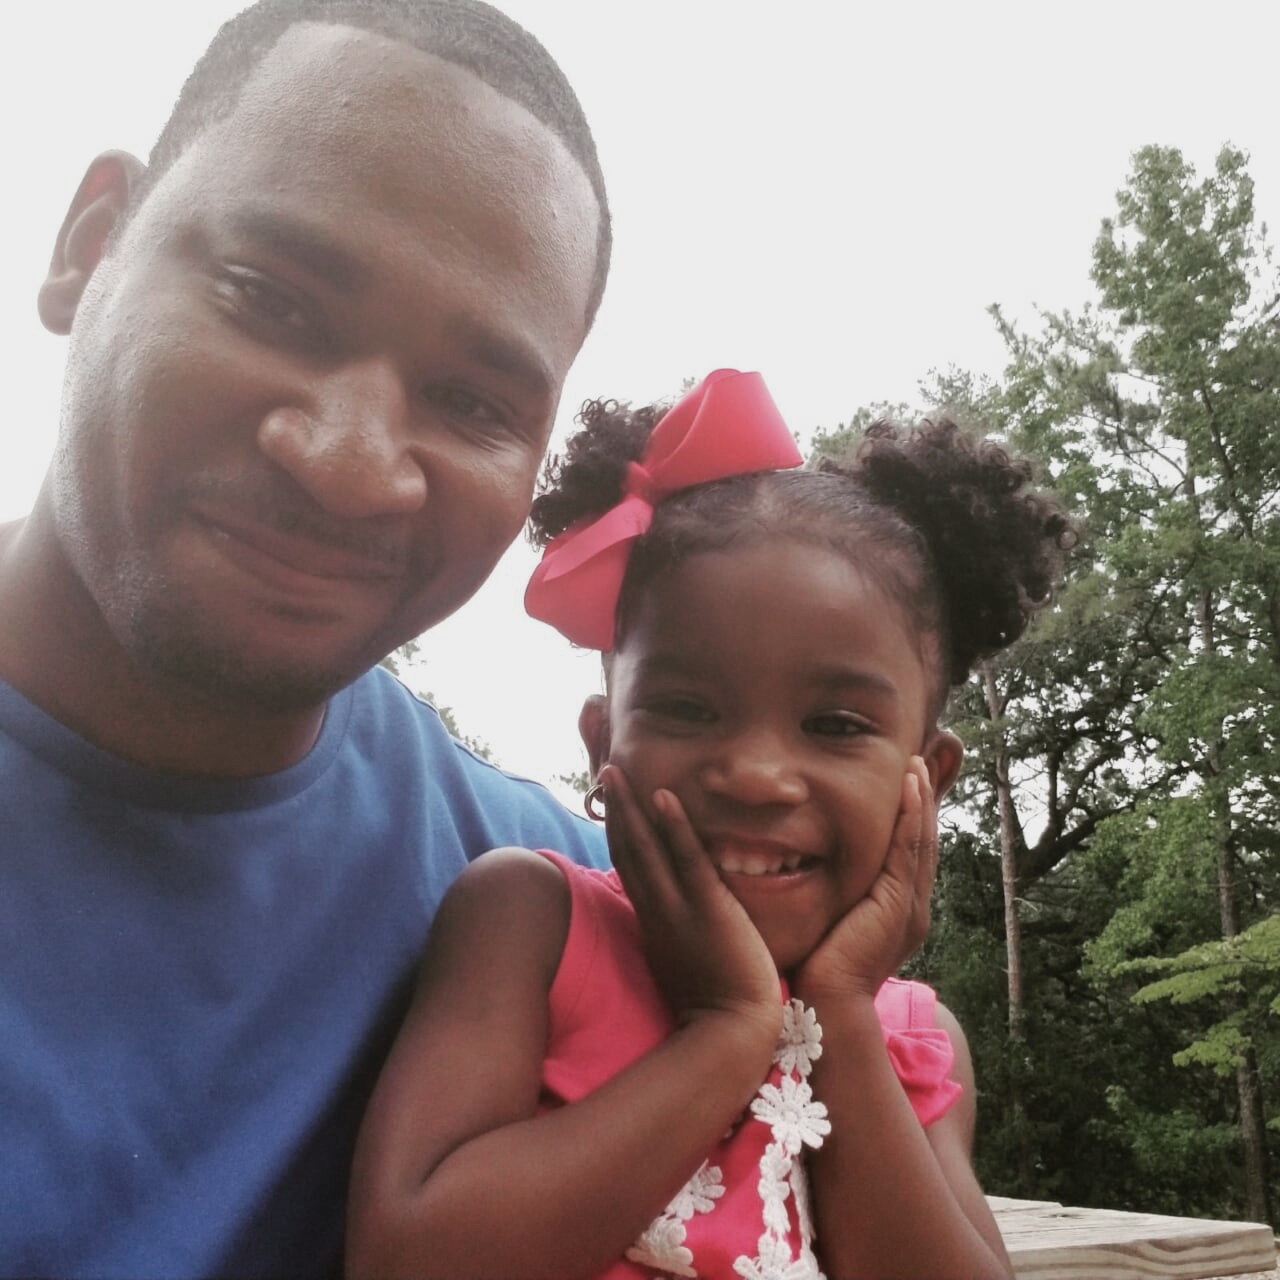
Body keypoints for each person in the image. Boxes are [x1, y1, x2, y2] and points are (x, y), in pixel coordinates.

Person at [0, 1, 614, 1275]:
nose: (348, 464)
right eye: (269, 299)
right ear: (88, 243)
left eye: (470, 401)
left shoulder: (549, 910)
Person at [348, 368, 1076, 1279]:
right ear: (603, 742)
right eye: (688, 709)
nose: (757, 775)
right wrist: (730, 1028)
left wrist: (838, 1015)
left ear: (923, 782)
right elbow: (407, 1261)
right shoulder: (532, 924)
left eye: (836, 725)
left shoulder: (914, 1038)